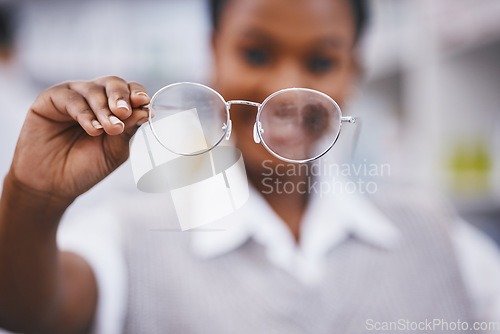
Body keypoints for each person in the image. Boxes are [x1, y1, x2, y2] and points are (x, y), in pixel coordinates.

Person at [0, 0, 499, 333]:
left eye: (321, 62)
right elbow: (29, 310)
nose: (287, 87)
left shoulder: (433, 233)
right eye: (256, 53)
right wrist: (32, 197)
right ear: (213, 52)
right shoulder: (132, 230)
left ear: (355, 70)